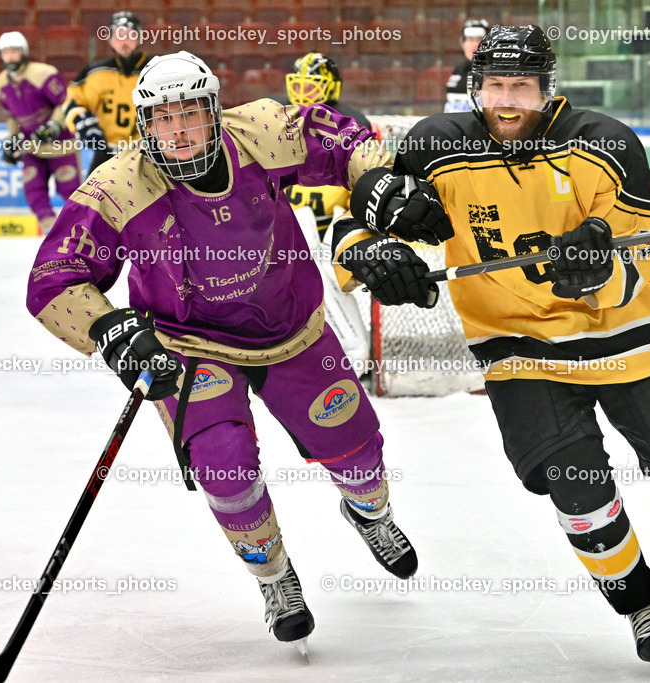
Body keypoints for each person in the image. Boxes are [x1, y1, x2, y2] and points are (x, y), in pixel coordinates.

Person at [332, 24, 650, 674]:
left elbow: (644, 246)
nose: (506, 99)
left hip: (628, 339)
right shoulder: (435, 146)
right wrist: (372, 248)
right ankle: (640, 604)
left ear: (546, 88)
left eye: (520, 86)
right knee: (579, 492)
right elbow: (357, 201)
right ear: (477, 88)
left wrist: (598, 262)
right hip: (519, 348)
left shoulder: (604, 143)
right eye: (495, 84)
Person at [25, 50, 419, 651]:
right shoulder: (117, 185)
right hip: (187, 343)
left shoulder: (259, 132)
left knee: (355, 445)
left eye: (190, 115)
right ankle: (274, 576)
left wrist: (378, 183)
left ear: (214, 111)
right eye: (161, 119)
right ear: (143, 126)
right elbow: (54, 277)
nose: (178, 132)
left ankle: (370, 512)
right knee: (224, 463)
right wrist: (110, 332)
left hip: (288, 326)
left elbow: (345, 137)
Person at [281, 52, 374, 365]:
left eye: (314, 86)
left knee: (326, 272)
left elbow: (365, 177)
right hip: (290, 218)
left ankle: (351, 351)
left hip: (336, 220)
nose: (305, 93)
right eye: (301, 85)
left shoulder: (350, 121)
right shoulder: (281, 116)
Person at [0, 31, 81, 235]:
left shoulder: (44, 74)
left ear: (23, 52)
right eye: (6, 52)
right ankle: (52, 233)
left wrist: (54, 124)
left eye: (14, 51)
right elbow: (13, 117)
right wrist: (13, 141)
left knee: (71, 191)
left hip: (61, 145)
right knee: (33, 191)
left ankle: (81, 231)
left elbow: (65, 102)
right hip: (32, 147)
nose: (11, 57)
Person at [63, 11, 153, 178]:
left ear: (140, 38)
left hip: (146, 154)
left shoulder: (156, 70)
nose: (124, 41)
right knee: (91, 201)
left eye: (130, 34)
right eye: (118, 35)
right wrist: (86, 126)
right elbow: (73, 102)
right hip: (106, 153)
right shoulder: (95, 72)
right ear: (110, 40)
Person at [445, 19, 489, 113]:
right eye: (470, 40)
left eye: (478, 39)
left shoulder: (496, 74)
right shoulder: (457, 72)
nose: (474, 44)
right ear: (462, 44)